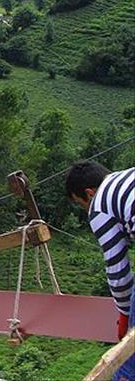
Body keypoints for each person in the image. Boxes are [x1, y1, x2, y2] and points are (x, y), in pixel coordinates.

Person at [65, 161, 134, 379]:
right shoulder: (128, 177)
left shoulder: (100, 204)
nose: (86, 210)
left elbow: (118, 272)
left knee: (128, 360)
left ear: (89, 193)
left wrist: (125, 316)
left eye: (81, 204)